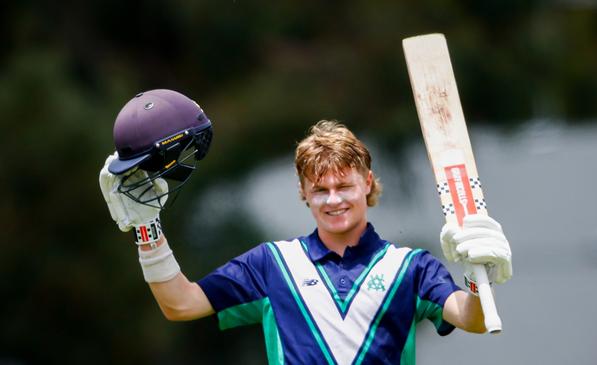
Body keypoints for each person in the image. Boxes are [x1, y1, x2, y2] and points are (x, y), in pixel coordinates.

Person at [100, 93, 512, 364]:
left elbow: (472, 318)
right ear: (303, 192)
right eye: (320, 189)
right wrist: (147, 231)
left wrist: (479, 278)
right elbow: (181, 304)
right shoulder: (271, 264)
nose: (333, 200)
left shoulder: (412, 268)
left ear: (366, 182)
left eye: (344, 186)